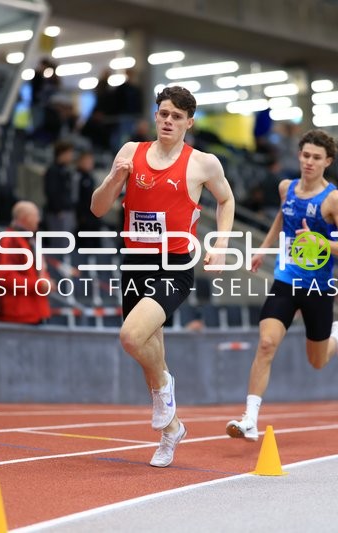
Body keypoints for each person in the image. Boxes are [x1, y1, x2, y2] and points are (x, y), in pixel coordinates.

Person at [91, 86, 235, 467]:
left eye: (177, 116)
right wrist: (113, 180)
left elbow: (226, 199)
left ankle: (165, 388)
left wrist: (221, 242)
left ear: (189, 123)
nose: (168, 121)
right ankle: (171, 431)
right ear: (156, 115)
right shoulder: (130, 152)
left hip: (175, 264)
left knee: (131, 336)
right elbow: (98, 208)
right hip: (135, 262)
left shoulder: (203, 163)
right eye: (164, 114)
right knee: (149, 348)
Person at [225, 129, 338, 441]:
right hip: (285, 280)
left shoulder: (335, 200)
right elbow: (281, 219)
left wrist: (319, 241)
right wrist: (262, 250)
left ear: (328, 162)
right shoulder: (287, 187)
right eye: (305, 155)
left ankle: (337, 335)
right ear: (299, 155)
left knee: (317, 361)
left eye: (316, 158)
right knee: (266, 344)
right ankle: (250, 419)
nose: (309, 162)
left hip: (318, 288)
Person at [0, 201, 51, 325]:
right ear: (25, 218)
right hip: (17, 315)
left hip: (33, 313)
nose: (38, 220)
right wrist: (39, 285)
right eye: (36, 216)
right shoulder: (9, 241)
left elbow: (38, 272)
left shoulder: (28, 240)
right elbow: (5, 278)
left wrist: (45, 282)